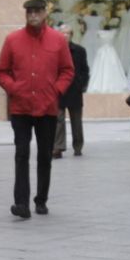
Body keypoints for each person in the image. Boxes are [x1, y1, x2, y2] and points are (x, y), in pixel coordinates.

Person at [0, 0, 73, 219]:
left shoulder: (57, 41)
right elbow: (0, 71)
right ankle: (21, 203)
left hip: (47, 107)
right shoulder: (13, 40)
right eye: (29, 12)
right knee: (21, 154)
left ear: (45, 13)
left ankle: (41, 199)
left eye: (37, 11)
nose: (33, 15)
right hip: (21, 107)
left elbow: (68, 70)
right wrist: (14, 88)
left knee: (44, 155)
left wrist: (56, 90)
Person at [53, 25, 89, 159]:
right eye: (62, 33)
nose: (65, 36)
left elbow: (85, 70)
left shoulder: (80, 51)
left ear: (72, 35)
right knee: (58, 120)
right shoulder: (54, 50)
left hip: (75, 90)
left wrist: (82, 84)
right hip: (59, 90)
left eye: (67, 33)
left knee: (76, 121)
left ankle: (78, 146)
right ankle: (58, 147)